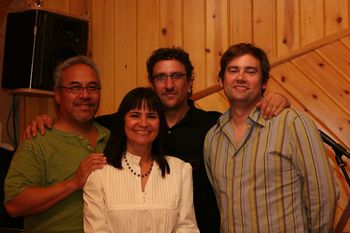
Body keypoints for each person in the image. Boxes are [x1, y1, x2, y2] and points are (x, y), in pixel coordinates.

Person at [24, 47, 290, 233]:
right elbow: (80, 119)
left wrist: (277, 99)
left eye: (177, 76)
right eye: (161, 77)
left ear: (190, 82)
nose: (169, 84)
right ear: (152, 83)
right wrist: (47, 119)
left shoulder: (214, 124)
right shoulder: (126, 124)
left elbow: (245, 117)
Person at [204, 43, 339, 233]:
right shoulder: (212, 138)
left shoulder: (291, 123)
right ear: (221, 80)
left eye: (250, 71)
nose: (240, 77)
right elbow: (221, 204)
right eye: (233, 70)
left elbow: (324, 194)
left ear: (264, 82)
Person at [4, 55, 110, 233]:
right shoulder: (38, 140)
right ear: (58, 95)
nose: (85, 95)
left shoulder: (113, 138)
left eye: (92, 87)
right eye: (75, 87)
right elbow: (14, 205)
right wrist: (73, 183)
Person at [83, 87, 199, 232]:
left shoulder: (180, 170)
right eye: (135, 115)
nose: (143, 123)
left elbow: (187, 227)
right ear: (122, 121)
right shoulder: (99, 174)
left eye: (151, 116)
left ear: (160, 123)